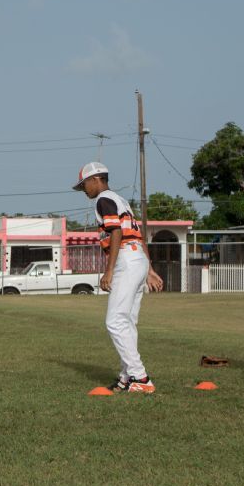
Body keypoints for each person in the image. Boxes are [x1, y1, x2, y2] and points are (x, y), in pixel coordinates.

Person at [74, 162, 164, 394]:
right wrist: (149, 269)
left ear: (96, 180)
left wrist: (110, 270)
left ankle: (140, 377)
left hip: (126, 259)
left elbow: (116, 232)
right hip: (137, 258)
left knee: (115, 321)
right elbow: (138, 236)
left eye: (84, 184)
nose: (83, 189)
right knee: (127, 321)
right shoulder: (120, 200)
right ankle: (127, 377)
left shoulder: (103, 199)